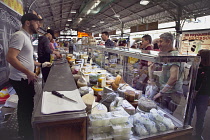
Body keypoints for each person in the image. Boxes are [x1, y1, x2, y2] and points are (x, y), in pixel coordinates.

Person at [6, 13, 51, 140]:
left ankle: (25, 129)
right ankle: (25, 133)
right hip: (21, 78)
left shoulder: (26, 37)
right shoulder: (19, 36)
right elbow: (10, 57)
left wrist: (41, 64)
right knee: (25, 106)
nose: (39, 25)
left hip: (25, 77)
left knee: (27, 104)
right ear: (27, 22)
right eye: (37, 22)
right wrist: (28, 72)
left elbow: (25, 59)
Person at [150, 33, 183, 112]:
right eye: (158, 42)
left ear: (168, 42)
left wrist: (161, 92)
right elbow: (153, 67)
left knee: (165, 115)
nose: (159, 44)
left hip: (171, 94)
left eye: (161, 42)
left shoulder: (174, 56)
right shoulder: (168, 54)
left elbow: (174, 77)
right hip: (166, 91)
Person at [189, 49, 210, 140]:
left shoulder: (207, 69)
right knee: (189, 114)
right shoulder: (195, 66)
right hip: (195, 94)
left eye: (199, 55)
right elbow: (190, 78)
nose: (197, 56)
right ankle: (187, 132)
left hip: (203, 95)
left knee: (200, 116)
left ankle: (198, 134)